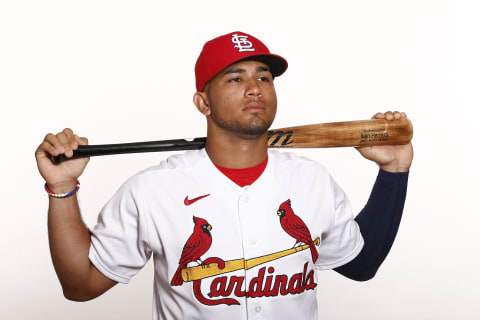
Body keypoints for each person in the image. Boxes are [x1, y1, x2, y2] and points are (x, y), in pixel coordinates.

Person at [35, 31, 413, 319]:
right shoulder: (152, 190)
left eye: (264, 77)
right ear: (203, 102)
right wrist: (62, 188)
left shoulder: (314, 181)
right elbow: (80, 285)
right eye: (234, 78)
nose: (254, 88)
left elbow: (361, 266)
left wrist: (394, 171)